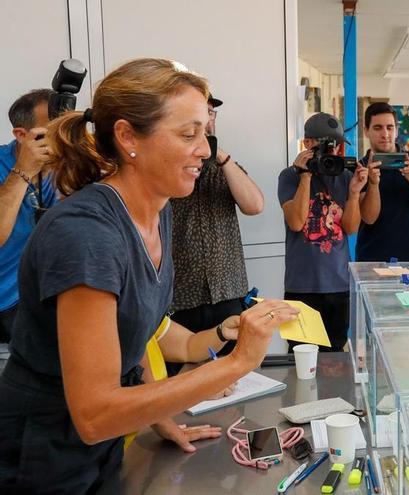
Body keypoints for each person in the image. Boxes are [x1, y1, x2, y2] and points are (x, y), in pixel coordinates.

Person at [0, 58, 297, 494]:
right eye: (188, 134)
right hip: (43, 451)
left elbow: (140, 333)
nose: (205, 149)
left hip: (100, 445)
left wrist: (213, 341)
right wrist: (238, 361)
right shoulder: (87, 235)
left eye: (205, 132)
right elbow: (95, 414)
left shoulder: (158, 214)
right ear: (126, 136)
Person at [168, 93, 263, 366]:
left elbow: (255, 205)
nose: (207, 121)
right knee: (183, 381)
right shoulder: (167, 170)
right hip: (180, 299)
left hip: (228, 294)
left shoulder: (227, 168)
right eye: (200, 114)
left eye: (211, 114)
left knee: (233, 374)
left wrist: (221, 157)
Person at [277, 112, 368, 352]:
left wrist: (355, 192)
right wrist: (305, 176)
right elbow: (296, 222)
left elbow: (350, 228)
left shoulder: (346, 177)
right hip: (302, 286)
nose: (332, 153)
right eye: (325, 146)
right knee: (300, 353)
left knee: (335, 355)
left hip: (338, 284)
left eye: (336, 146)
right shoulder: (289, 177)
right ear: (307, 144)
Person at [0, 89, 59, 356]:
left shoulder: (62, 166)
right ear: (21, 136)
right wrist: (24, 170)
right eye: (48, 133)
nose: (59, 142)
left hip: (36, 300)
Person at [356, 102, 409, 262]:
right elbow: (369, 218)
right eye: (378, 128)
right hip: (371, 260)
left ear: (397, 130)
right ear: (366, 131)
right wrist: (372, 183)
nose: (385, 134)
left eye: (390, 127)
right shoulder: (361, 168)